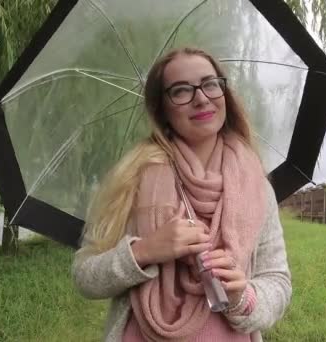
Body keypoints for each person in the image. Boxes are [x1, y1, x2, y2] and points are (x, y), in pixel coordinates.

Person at [72, 47, 291, 342]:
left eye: (210, 84)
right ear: (161, 109)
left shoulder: (256, 186)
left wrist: (243, 295)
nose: (201, 98)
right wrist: (145, 251)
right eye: (180, 91)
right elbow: (85, 277)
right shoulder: (131, 179)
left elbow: (277, 282)